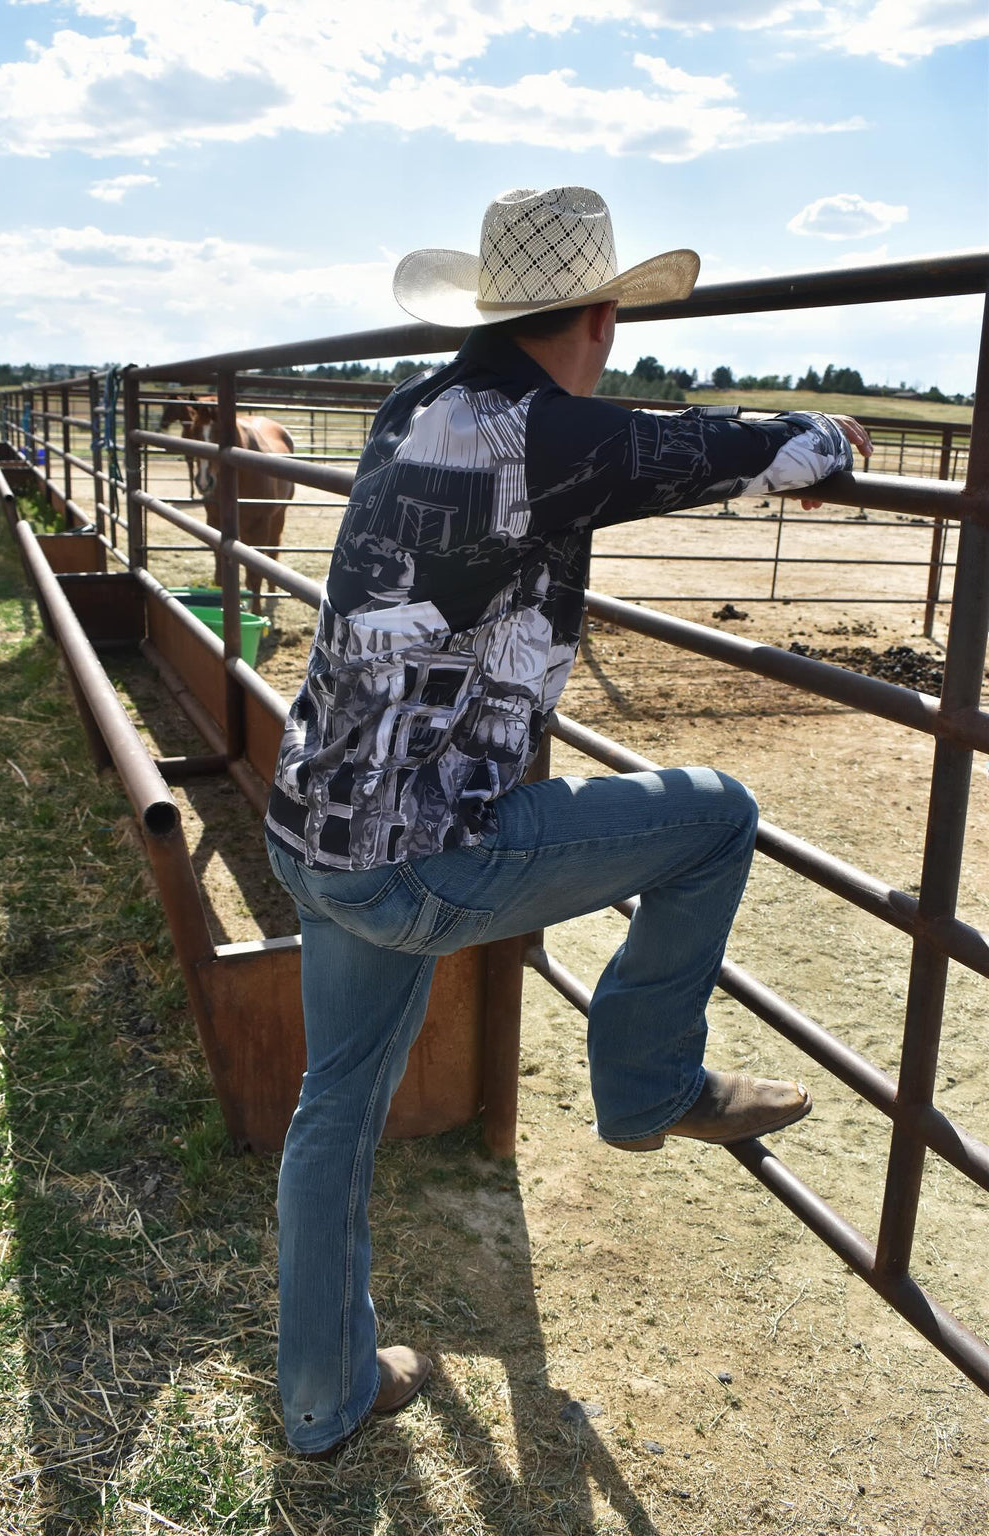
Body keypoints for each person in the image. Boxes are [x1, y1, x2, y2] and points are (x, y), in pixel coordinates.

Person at [264, 186, 873, 1458]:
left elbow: (657, 451)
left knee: (334, 1108)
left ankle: (323, 1399)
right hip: (422, 854)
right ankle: (651, 1082)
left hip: (313, 829)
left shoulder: (412, 410)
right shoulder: (542, 435)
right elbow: (768, 443)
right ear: (598, 318)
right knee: (716, 817)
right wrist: (824, 432)